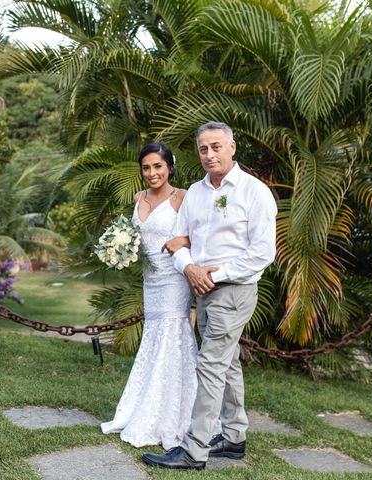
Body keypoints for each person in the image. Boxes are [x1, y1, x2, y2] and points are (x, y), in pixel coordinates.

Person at [142, 121, 277, 470]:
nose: (209, 154)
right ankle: (233, 438)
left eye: (216, 147)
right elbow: (180, 238)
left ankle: (194, 449)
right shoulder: (196, 193)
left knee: (211, 365)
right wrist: (190, 269)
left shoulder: (254, 192)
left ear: (232, 148)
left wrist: (215, 274)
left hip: (233, 290)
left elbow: (262, 253)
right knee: (228, 363)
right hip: (201, 289)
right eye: (203, 149)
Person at [101, 142, 199, 449]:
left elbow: (200, 233)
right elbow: (135, 236)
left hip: (174, 277)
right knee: (155, 335)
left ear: (169, 167)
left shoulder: (182, 197)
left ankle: (173, 416)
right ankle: (147, 406)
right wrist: (119, 250)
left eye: (158, 166)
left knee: (173, 335)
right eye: (146, 167)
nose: (152, 173)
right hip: (150, 280)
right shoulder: (138, 197)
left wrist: (180, 239)